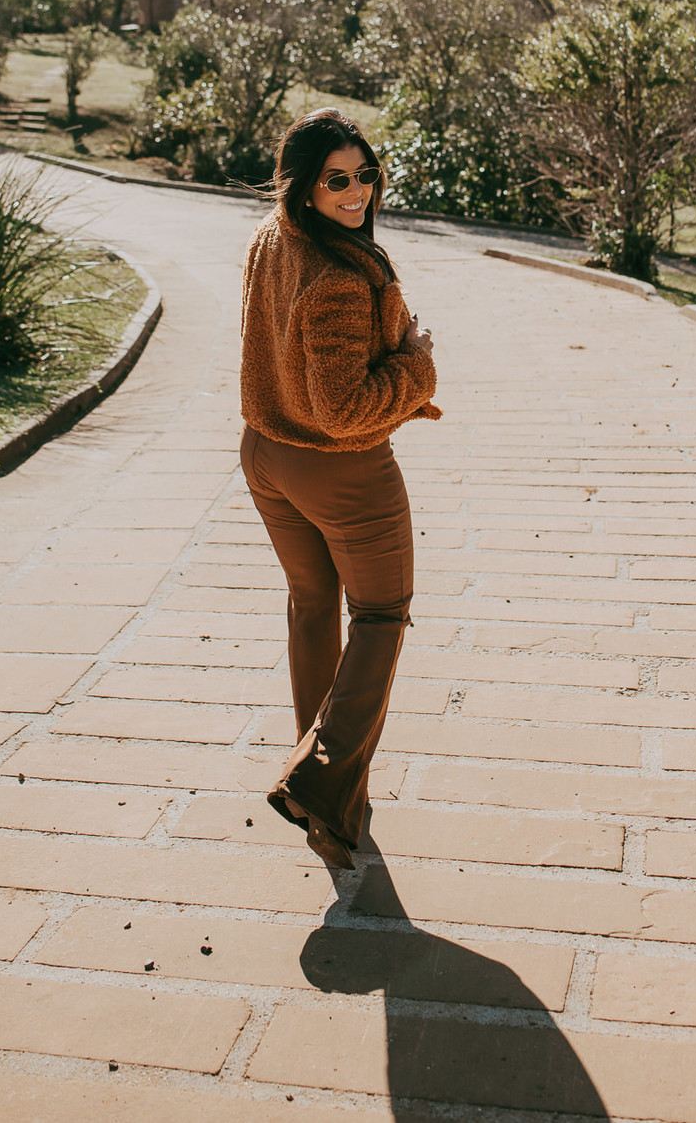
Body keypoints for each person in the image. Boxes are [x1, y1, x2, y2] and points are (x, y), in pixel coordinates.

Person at [239, 108, 440, 869]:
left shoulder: (272, 237)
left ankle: (327, 797)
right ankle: (322, 783)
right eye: (337, 180)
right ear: (303, 187)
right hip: (341, 467)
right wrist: (417, 363)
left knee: (314, 607)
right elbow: (346, 406)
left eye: (365, 175)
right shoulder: (336, 278)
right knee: (382, 614)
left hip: (267, 455)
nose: (356, 191)